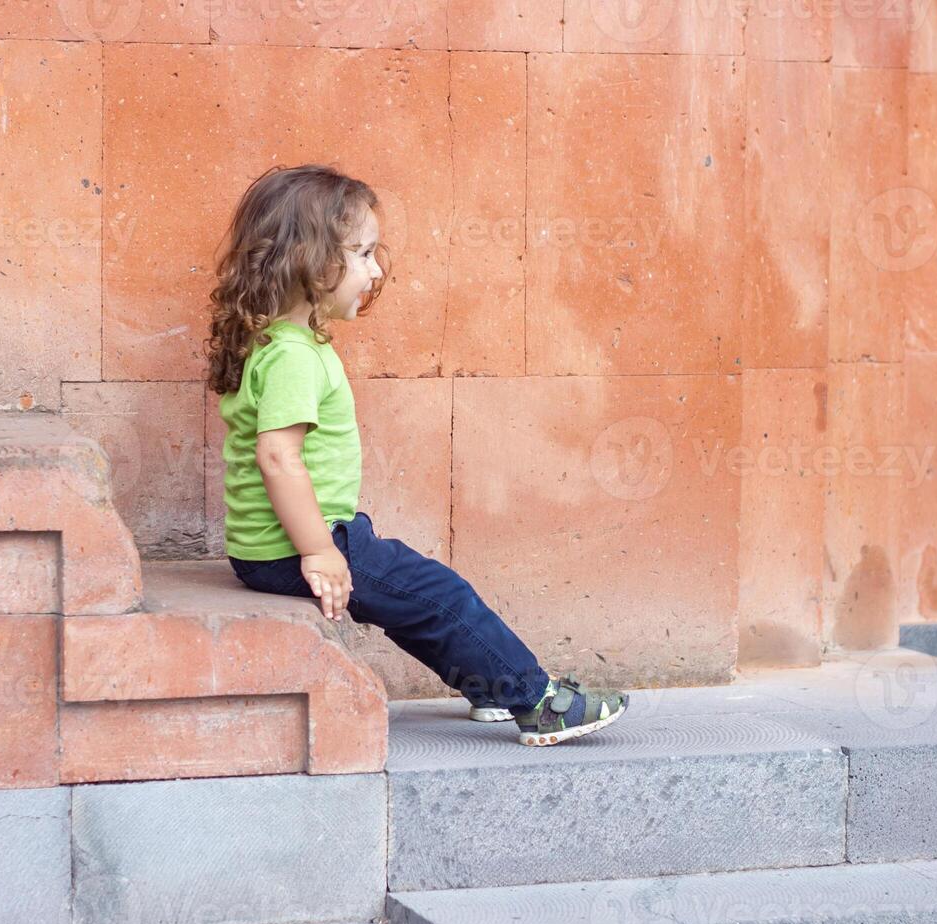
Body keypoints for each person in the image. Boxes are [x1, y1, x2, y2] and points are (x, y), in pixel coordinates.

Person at [202, 163, 628, 746]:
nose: (376, 271)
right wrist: (321, 553)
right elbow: (278, 459)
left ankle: (490, 687)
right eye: (363, 254)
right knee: (440, 595)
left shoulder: (284, 345)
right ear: (308, 260)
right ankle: (536, 701)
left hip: (293, 542)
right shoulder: (293, 357)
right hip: (295, 545)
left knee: (414, 600)